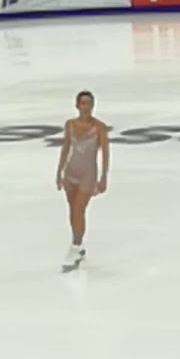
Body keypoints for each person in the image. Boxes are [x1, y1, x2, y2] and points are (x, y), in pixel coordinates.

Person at [55, 90, 110, 272]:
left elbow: (105, 154)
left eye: (89, 104)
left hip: (88, 174)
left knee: (79, 209)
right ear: (77, 105)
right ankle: (77, 242)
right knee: (73, 210)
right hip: (71, 172)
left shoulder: (100, 127)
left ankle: (75, 246)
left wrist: (103, 177)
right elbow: (66, 148)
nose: (86, 107)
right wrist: (59, 171)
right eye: (83, 103)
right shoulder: (70, 125)